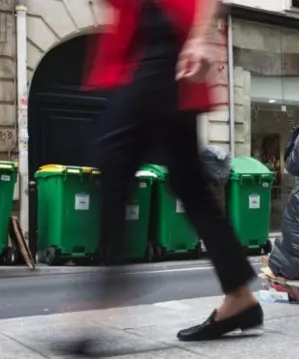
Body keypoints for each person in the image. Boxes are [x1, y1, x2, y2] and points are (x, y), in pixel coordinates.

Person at [70, 0, 262, 352]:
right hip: (156, 47)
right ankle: (240, 295)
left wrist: (202, 36)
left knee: (113, 160)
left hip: (165, 43)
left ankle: (103, 298)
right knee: (187, 182)